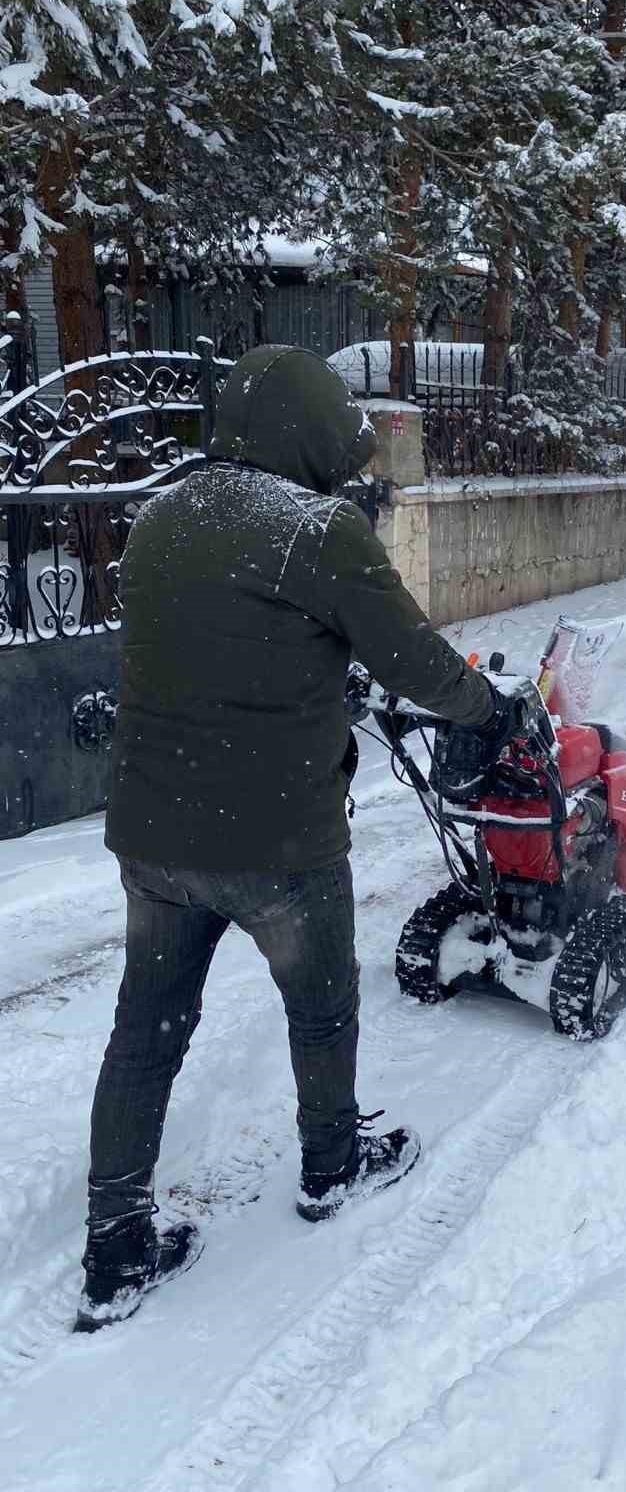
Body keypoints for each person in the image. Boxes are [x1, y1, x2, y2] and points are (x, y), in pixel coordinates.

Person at [77, 345, 511, 1333]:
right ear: (307, 431)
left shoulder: (158, 516)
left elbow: (211, 646)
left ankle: (116, 1246)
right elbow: (418, 664)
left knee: (145, 1030)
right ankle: (331, 1163)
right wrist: (490, 709)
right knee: (320, 1009)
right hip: (278, 844)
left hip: (153, 841)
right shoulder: (316, 531)